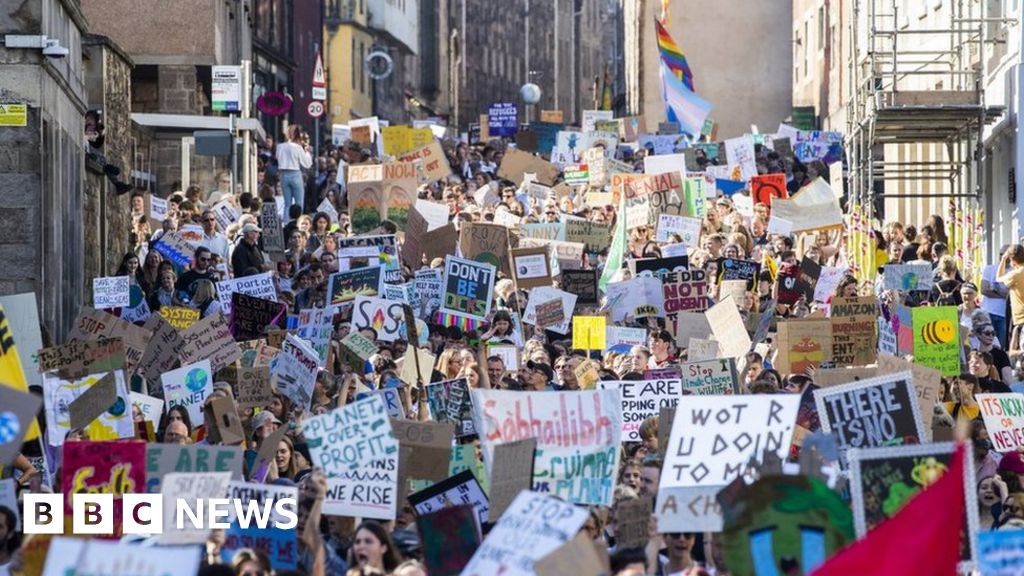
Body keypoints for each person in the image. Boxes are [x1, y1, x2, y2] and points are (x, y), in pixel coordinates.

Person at [278, 125, 313, 217]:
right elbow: (307, 164)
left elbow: (278, 158)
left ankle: (286, 223)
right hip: (295, 173)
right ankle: (298, 223)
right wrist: (307, 152)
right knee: (299, 203)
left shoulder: (280, 147)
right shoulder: (297, 147)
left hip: (283, 174)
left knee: (287, 204)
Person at [996, 244, 1024, 352]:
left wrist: (1003, 259)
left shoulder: (1016, 274)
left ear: (1012, 259)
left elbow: (998, 278)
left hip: (1021, 318)